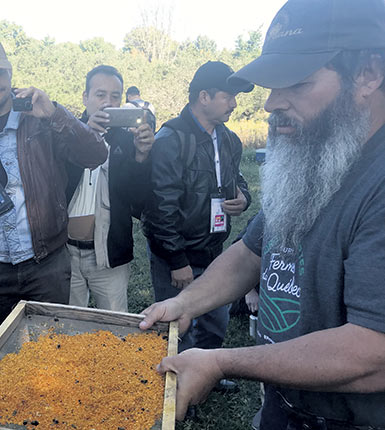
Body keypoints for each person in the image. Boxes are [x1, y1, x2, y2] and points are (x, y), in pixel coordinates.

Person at [139, 0, 385, 427]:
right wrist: (186, 302)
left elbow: (374, 351)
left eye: (296, 82)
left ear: (367, 74)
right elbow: (253, 252)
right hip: (285, 407)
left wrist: (221, 361)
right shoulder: (320, 155)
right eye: (271, 84)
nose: (270, 103)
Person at [0, 32, 107, 330]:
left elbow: (95, 154)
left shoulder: (41, 117)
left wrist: (55, 115)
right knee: (8, 357)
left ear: (9, 71)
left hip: (45, 264)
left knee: (52, 351)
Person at [142, 60, 252, 355]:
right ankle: (176, 390)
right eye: (227, 96)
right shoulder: (171, 140)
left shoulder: (229, 140)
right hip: (177, 256)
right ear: (204, 97)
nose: (233, 104)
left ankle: (206, 374)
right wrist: (177, 261)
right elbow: (159, 207)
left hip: (213, 250)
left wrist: (243, 198)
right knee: (177, 327)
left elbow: (237, 179)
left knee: (216, 319)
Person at [65, 65, 154, 312]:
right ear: (85, 97)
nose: (108, 102)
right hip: (64, 252)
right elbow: (56, 188)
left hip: (109, 253)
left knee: (115, 325)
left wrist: (142, 157)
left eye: (115, 96)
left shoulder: (128, 141)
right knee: (68, 327)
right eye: (100, 94)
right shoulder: (66, 134)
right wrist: (85, 137)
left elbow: (138, 200)